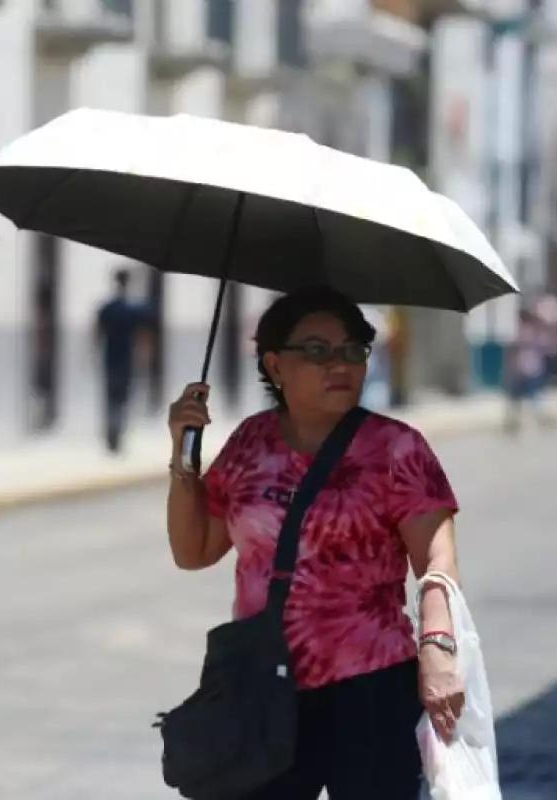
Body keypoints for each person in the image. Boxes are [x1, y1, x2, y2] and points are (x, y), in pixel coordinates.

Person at [165, 286, 464, 798]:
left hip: (372, 689)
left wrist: (438, 646)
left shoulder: (397, 448)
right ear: (275, 366)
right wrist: (182, 453)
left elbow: (437, 556)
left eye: (353, 349)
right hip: (266, 687)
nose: (340, 364)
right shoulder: (249, 444)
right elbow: (193, 552)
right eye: (318, 351)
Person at [95, 268, 149, 453]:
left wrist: (93, 354)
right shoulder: (132, 310)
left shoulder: (107, 309)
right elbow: (142, 337)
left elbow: (97, 334)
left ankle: (111, 436)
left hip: (111, 360)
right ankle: (116, 437)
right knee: (122, 401)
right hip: (125, 362)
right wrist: (143, 358)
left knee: (111, 400)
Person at [505, 307, 556, 434]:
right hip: (533, 367)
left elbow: (514, 349)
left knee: (523, 395)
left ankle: (516, 421)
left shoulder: (524, 332)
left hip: (525, 368)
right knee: (530, 394)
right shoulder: (536, 331)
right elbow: (548, 347)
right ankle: (519, 420)